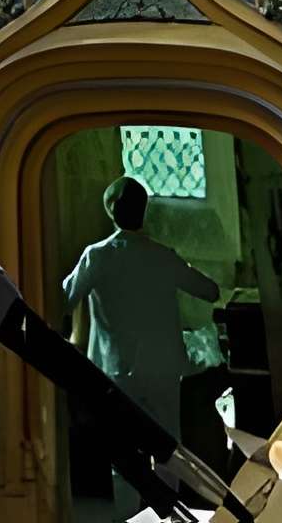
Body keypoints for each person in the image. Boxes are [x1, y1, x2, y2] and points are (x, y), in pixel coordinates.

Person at [61, 174, 218, 455]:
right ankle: (168, 499)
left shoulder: (96, 257)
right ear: (143, 211)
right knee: (169, 450)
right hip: (162, 368)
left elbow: (64, 298)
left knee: (122, 451)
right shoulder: (163, 256)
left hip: (116, 370)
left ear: (110, 211)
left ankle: (130, 498)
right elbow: (210, 291)